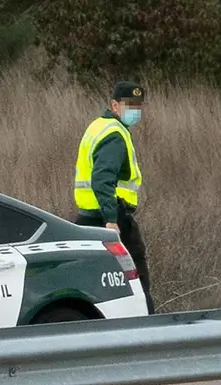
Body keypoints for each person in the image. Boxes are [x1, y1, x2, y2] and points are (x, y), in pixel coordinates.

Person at [72, 80, 154, 314]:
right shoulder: (115, 135)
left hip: (89, 217)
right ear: (115, 105)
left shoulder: (99, 126)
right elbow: (102, 179)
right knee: (137, 281)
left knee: (97, 282)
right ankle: (151, 332)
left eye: (138, 106)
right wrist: (111, 219)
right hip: (112, 218)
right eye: (129, 106)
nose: (135, 111)